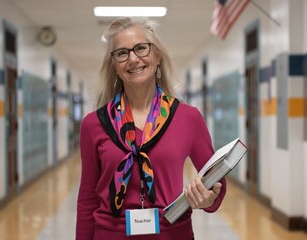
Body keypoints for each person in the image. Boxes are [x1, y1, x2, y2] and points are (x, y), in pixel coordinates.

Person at [76, 17, 227, 240]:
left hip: (172, 233)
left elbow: (218, 180)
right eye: (122, 53)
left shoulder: (187, 118)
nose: (133, 59)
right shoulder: (94, 124)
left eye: (141, 48)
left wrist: (208, 199)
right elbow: (87, 197)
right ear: (114, 66)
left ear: (156, 55)